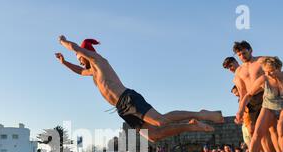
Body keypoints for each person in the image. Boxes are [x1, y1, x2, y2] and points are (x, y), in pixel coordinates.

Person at [56, 36, 223, 143]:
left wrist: (64, 42)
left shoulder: (99, 61)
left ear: (87, 54)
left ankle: (200, 114)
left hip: (128, 99)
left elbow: (76, 47)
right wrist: (64, 62)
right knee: (154, 136)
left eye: (79, 58)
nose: (78, 61)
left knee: (160, 120)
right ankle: (190, 125)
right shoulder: (92, 72)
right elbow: (79, 71)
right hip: (122, 109)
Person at [233, 41, 277, 152]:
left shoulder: (261, 61)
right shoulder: (239, 71)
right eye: (239, 55)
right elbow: (242, 92)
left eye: (244, 53)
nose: (242, 56)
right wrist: (240, 110)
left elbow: (276, 74)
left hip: (265, 95)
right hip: (251, 99)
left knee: (272, 126)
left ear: (250, 50)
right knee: (257, 130)